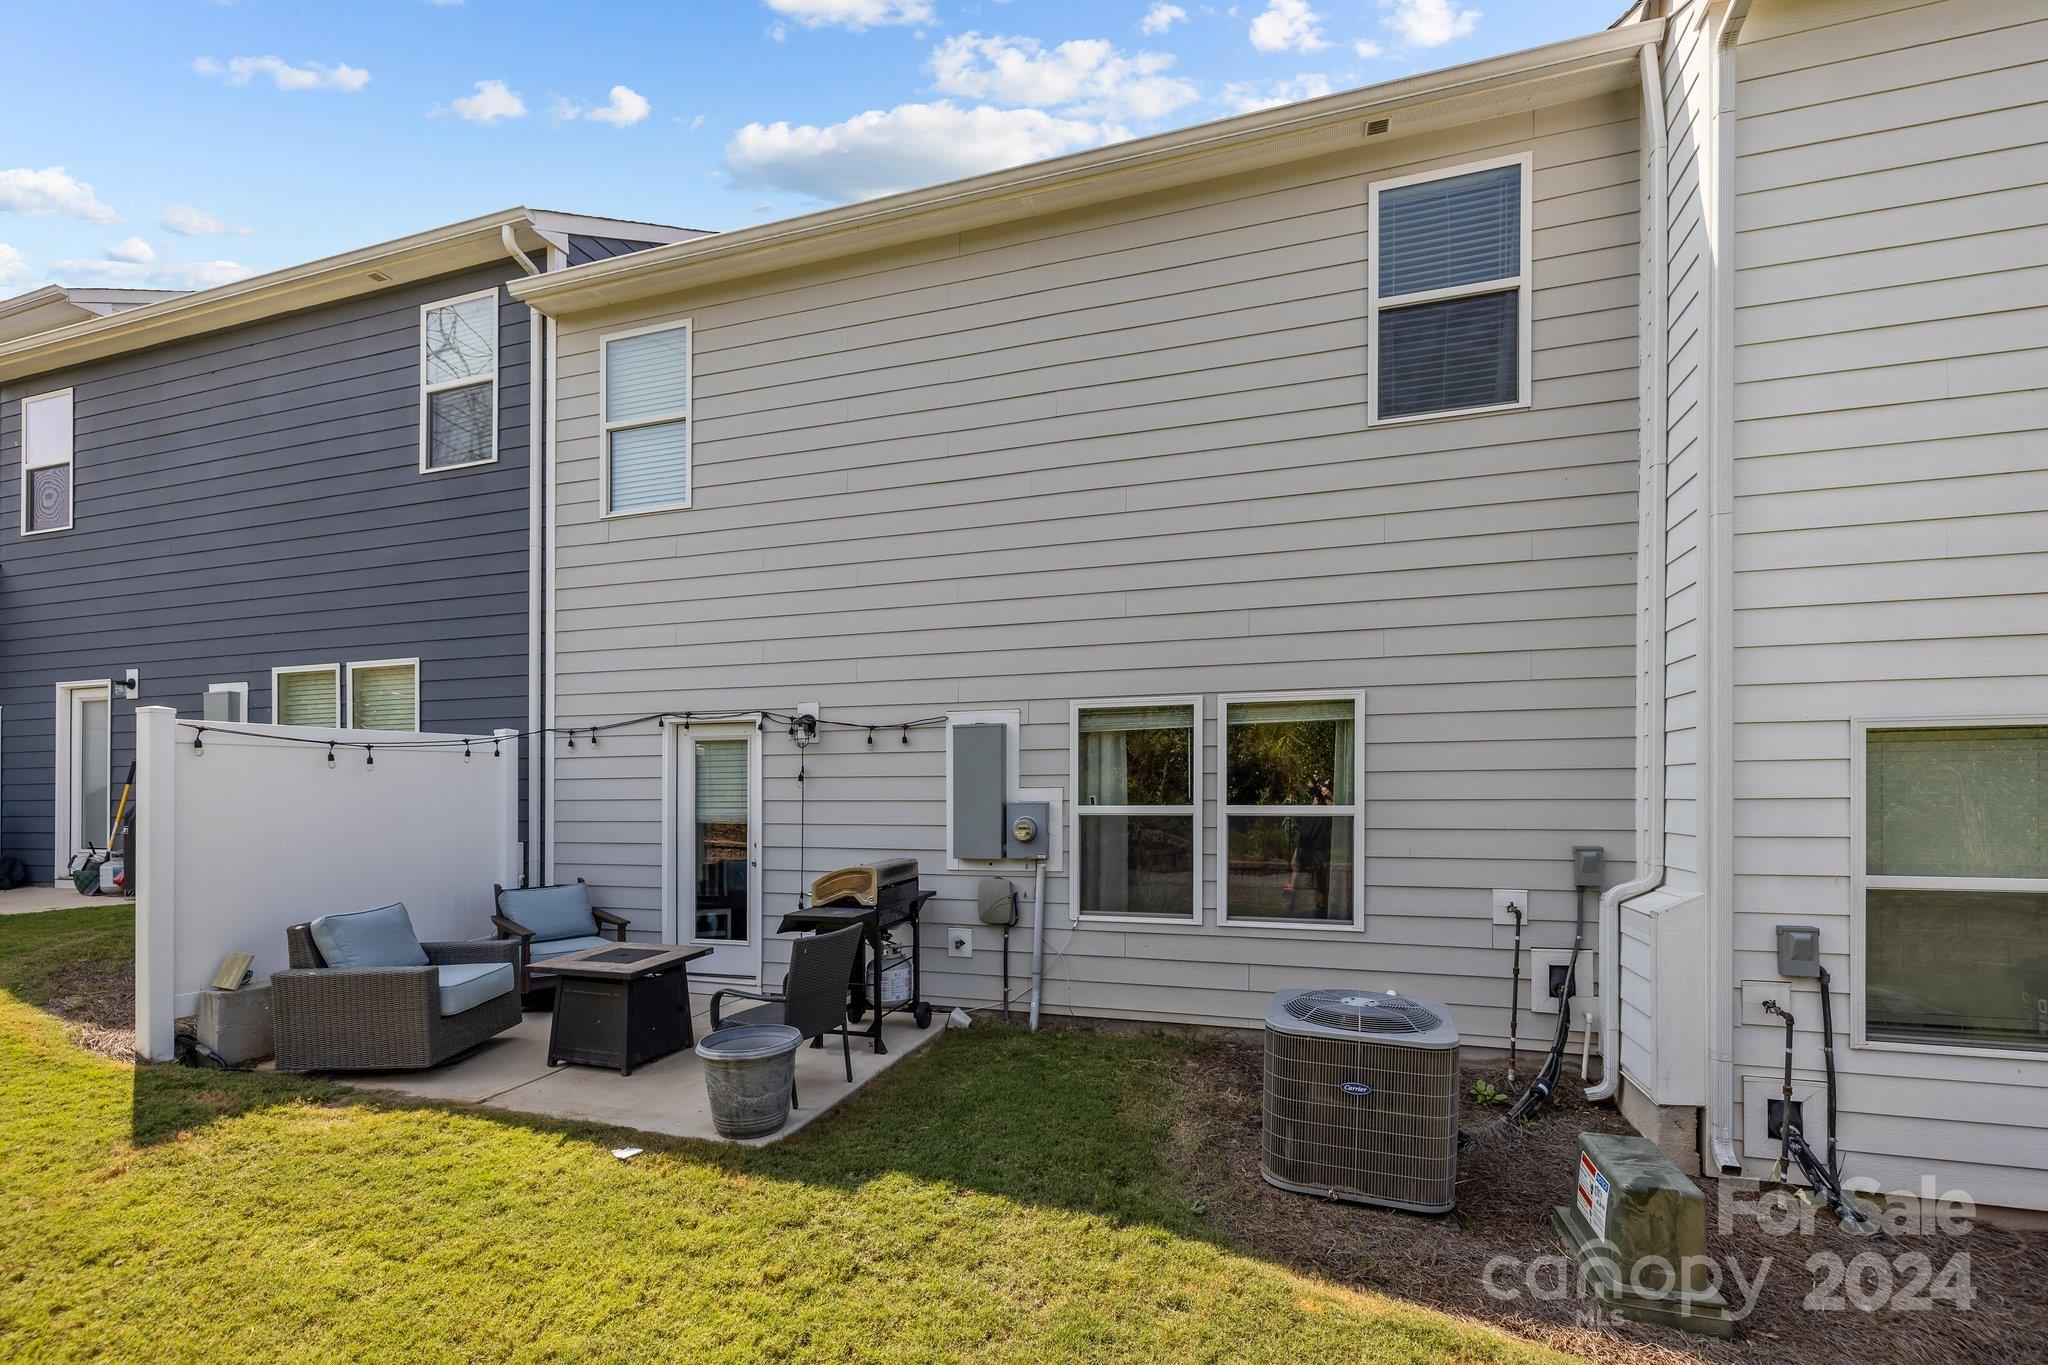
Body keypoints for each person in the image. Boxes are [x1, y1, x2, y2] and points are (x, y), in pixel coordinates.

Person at [1284, 775, 1334, 917]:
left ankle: (1321, 909)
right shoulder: (1310, 809)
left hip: (1319, 849)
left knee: (1321, 882)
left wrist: (1329, 796)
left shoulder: (1328, 810)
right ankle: (1291, 906)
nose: (1319, 795)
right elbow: (1298, 820)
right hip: (1304, 847)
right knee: (1296, 877)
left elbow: (1334, 809)